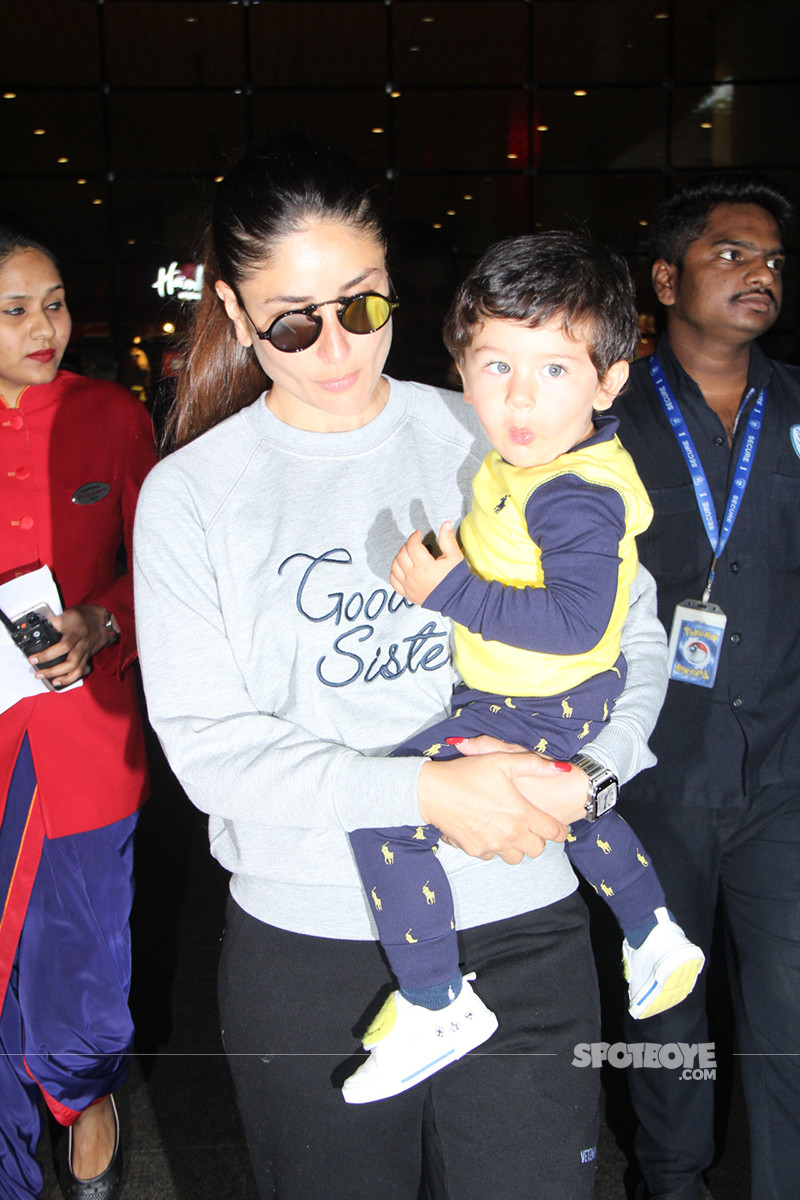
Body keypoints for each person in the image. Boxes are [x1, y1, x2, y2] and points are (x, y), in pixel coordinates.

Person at [133, 133, 669, 1200]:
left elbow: (632, 632)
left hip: (522, 919)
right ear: (235, 317)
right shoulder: (193, 495)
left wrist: (587, 781)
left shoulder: (489, 432)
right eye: (290, 320)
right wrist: (424, 789)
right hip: (311, 944)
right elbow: (209, 750)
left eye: (362, 305)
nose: (334, 347)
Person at [343, 233, 704, 1105]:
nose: (519, 398)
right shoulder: (543, 466)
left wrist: (452, 589)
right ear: (461, 366)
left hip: (540, 697)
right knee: (569, 807)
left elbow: (581, 620)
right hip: (560, 701)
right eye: (496, 366)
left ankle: (435, 1000)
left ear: (609, 381)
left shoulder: (570, 490)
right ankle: (653, 932)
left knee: (388, 813)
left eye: (554, 370)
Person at [613, 174, 800, 1200]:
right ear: (663, 277)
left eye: (770, 259)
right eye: (729, 253)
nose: (757, 273)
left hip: (783, 768)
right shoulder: (601, 417)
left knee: (788, 1003)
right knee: (660, 1005)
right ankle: (668, 1180)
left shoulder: (799, 409)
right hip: (652, 770)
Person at [0, 213, 155, 1200]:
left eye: (51, 304)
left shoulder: (112, 416)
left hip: (89, 745)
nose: (41, 326)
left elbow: (166, 576)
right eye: (13, 310)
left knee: (88, 983)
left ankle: (84, 1095)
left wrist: (101, 622)